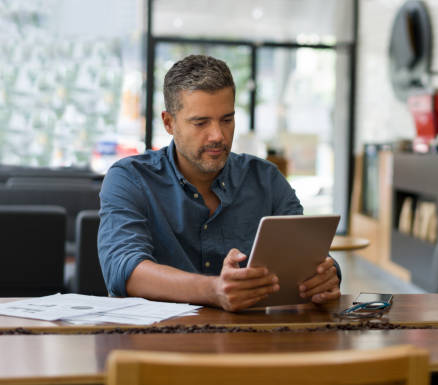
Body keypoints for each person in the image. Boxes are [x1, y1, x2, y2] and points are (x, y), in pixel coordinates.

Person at [98, 55, 341, 311]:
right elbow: (124, 269)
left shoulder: (266, 179)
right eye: (201, 122)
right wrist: (213, 290)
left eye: (227, 120)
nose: (218, 135)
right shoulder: (130, 178)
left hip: (253, 342)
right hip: (160, 343)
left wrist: (326, 274)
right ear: (169, 123)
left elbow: (307, 255)